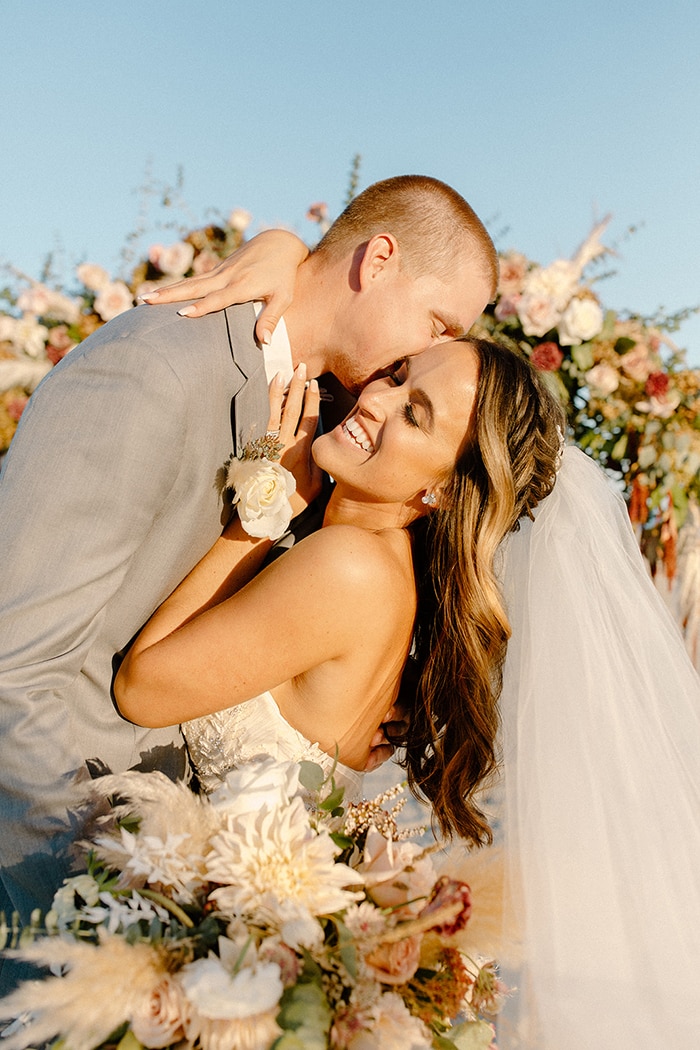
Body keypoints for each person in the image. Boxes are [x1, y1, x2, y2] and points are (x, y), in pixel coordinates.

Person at [115, 336, 700, 1050]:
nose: (375, 400)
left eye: (414, 413)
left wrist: (265, 511)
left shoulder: (349, 566)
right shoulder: (384, 570)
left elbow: (141, 687)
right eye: (396, 375)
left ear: (445, 489)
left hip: (224, 965)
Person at [0, 175, 497, 987]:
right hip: (68, 896)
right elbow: (12, 670)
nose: (418, 362)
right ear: (378, 261)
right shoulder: (153, 372)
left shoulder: (336, 435)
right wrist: (110, 924)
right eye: (437, 324)